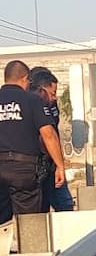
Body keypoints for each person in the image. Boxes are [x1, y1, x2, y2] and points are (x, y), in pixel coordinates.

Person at [0, 60, 65, 223]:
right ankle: (30, 247)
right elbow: (48, 134)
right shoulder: (32, 100)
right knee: (29, 223)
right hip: (24, 169)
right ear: (25, 78)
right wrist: (60, 165)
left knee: (2, 219)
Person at [29, 68, 74, 212]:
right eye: (52, 93)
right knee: (41, 208)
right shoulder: (30, 105)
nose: (54, 98)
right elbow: (47, 135)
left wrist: (58, 162)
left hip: (52, 163)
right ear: (40, 90)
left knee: (65, 206)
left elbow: (53, 134)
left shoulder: (51, 105)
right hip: (38, 165)